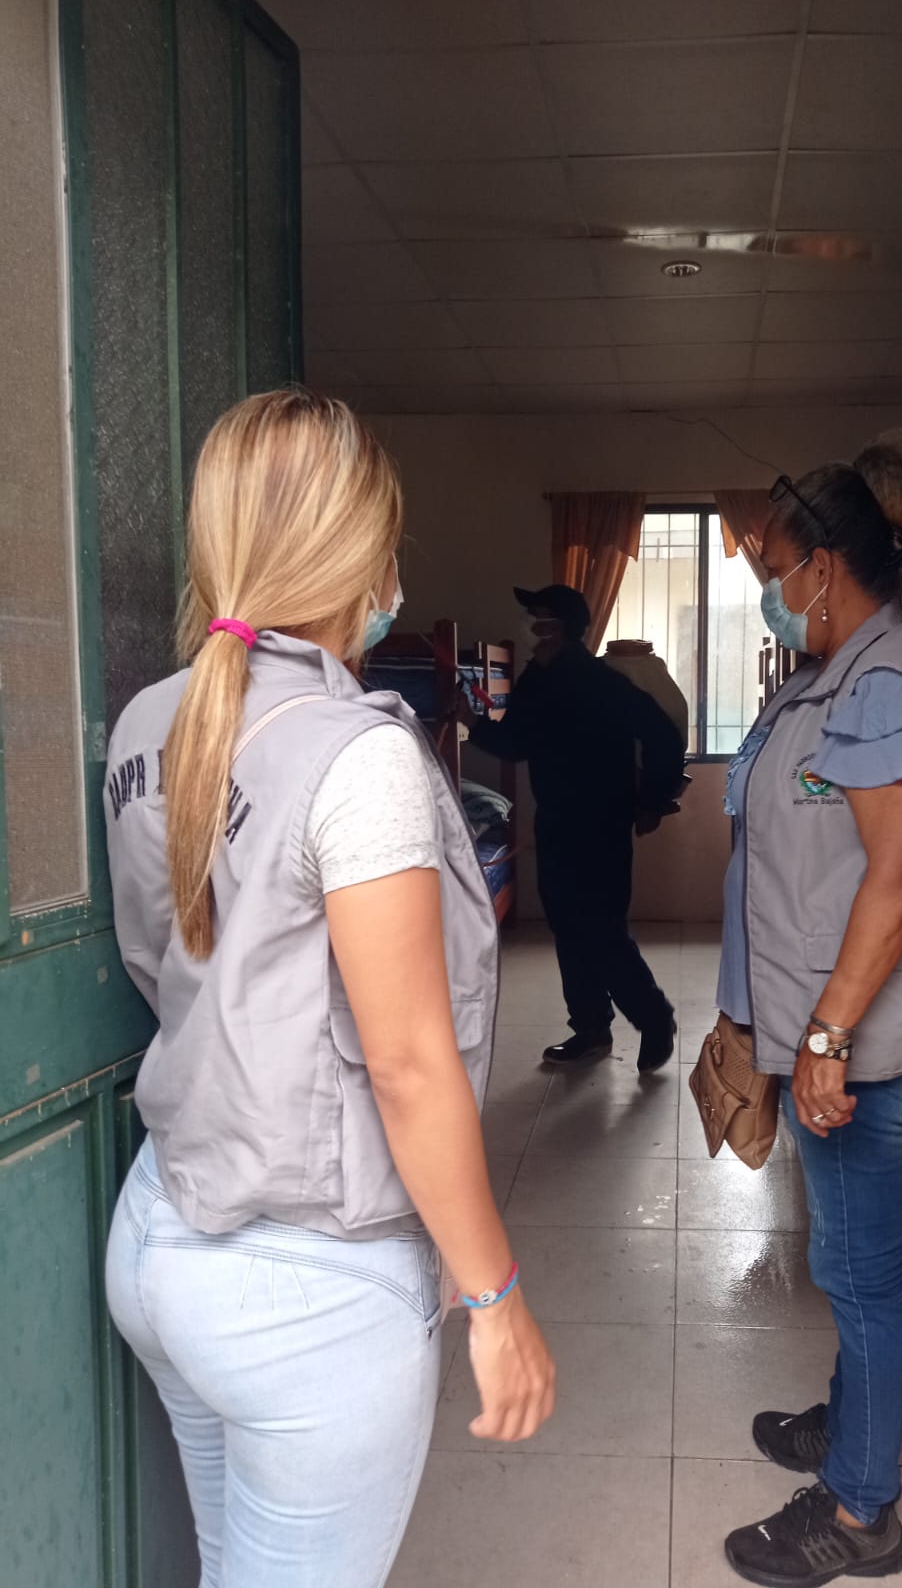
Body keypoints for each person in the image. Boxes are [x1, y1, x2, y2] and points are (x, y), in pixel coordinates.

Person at [103, 389, 554, 1588]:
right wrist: (496, 1296)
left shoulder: (144, 723)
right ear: (358, 555)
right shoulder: (359, 756)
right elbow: (407, 1066)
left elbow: (157, 964)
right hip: (304, 1292)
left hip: (159, 1233)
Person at [717, 445, 902, 1587]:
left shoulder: (883, 684)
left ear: (825, 568)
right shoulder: (837, 672)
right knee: (851, 1259)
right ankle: (851, 1428)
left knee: (859, 1274)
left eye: (778, 568)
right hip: (827, 1031)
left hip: (859, 1048)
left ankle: (859, 1510)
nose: (772, 588)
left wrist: (827, 1035)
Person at [464, 584, 685, 1072]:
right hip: (557, 821)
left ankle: (654, 1019)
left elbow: (663, 735)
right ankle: (590, 1028)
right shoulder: (536, 679)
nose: (529, 625)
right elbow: (516, 743)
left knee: (601, 930)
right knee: (567, 927)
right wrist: (474, 723)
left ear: (559, 626)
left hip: (600, 824)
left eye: (538, 616)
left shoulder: (597, 680)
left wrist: (652, 799)